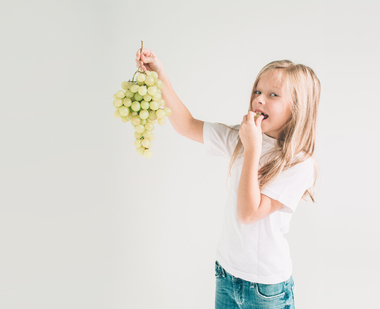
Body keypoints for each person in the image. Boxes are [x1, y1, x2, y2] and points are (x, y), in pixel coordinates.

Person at [135, 48, 321, 309]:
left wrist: (252, 149)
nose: (259, 100)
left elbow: (249, 213)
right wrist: (160, 76)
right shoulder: (242, 137)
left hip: (265, 288)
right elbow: (186, 124)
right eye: (257, 91)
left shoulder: (299, 164)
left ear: (297, 108)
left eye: (273, 95)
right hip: (227, 273)